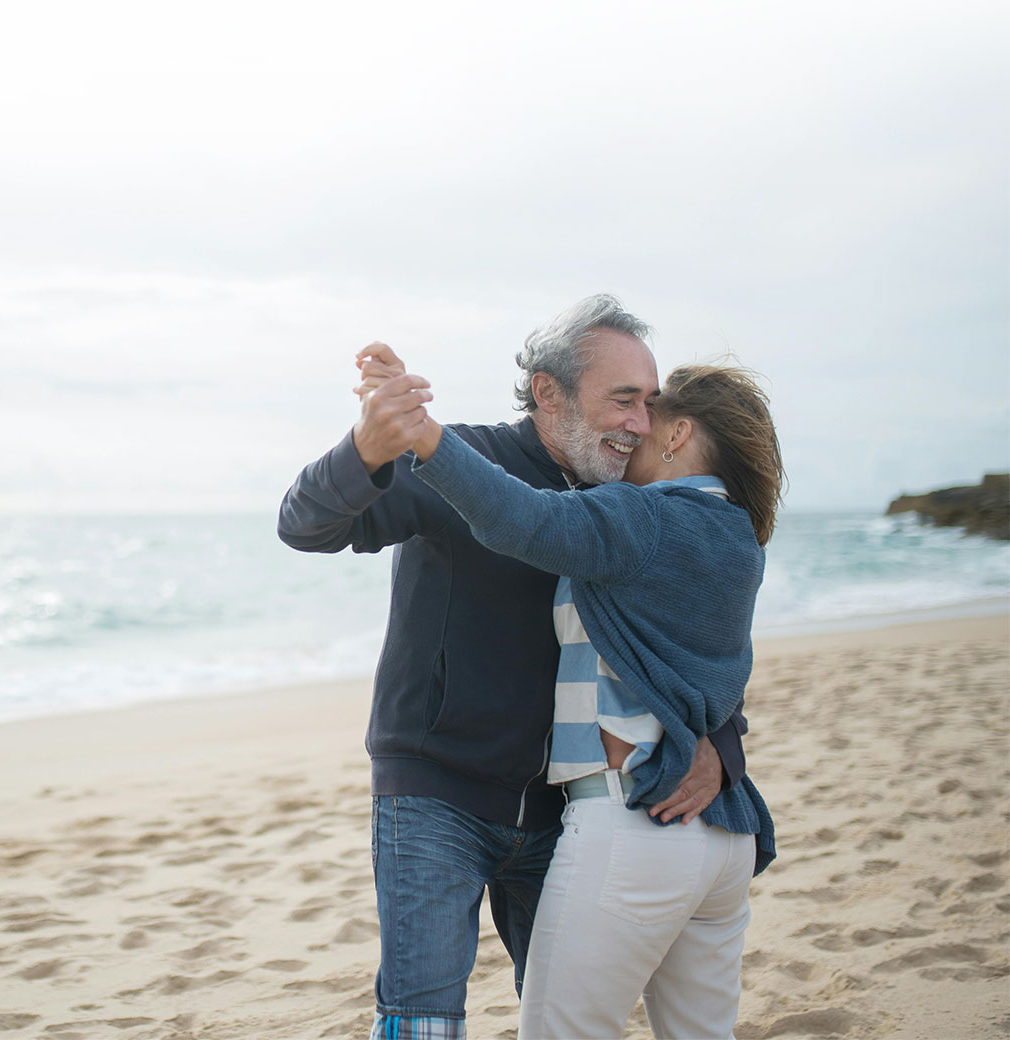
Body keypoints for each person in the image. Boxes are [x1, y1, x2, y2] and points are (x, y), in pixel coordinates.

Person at [277, 295, 750, 1039]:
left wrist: (721, 747)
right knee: (422, 1019)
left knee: (561, 1018)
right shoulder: (460, 463)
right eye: (623, 400)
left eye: (649, 405)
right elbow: (303, 524)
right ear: (549, 392)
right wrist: (367, 448)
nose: (639, 423)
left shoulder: (625, 505)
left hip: (569, 813)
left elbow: (697, 638)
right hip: (440, 793)